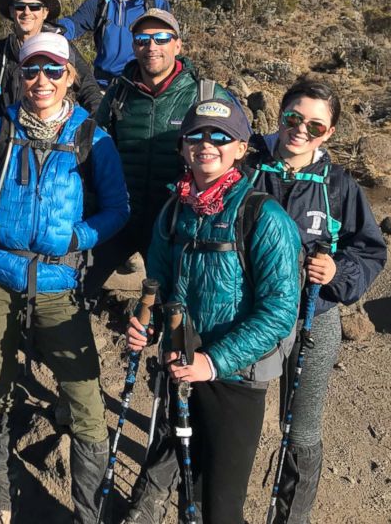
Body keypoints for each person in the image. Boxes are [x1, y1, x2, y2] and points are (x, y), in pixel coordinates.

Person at [0, 33, 130, 524]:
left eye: (54, 70)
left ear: (71, 76)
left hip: (57, 284)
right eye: (32, 70)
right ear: (19, 76)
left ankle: (88, 512)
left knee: (85, 399)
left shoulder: (92, 137)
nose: (41, 80)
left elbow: (118, 208)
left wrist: (76, 238)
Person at [124, 98, 301, 524]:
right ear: (183, 146)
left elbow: (279, 312)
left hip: (236, 378)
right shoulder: (174, 211)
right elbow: (162, 285)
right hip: (182, 366)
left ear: (241, 147)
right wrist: (147, 329)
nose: (208, 144)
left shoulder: (264, 216)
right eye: (197, 135)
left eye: (221, 136)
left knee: (222, 507)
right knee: (190, 487)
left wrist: (214, 361)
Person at [246, 78, 387, 524]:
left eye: (316, 125)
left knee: (301, 430)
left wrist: (337, 273)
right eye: (293, 117)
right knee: (230, 409)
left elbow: (369, 249)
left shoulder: (340, 184)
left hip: (315, 315)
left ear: (329, 133)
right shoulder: (248, 163)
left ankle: (292, 516)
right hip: (248, 313)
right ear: (280, 113)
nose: (301, 130)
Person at [86, 9, 230, 301]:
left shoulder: (203, 96)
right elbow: (94, 146)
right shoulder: (119, 92)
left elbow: (235, 152)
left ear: (178, 45)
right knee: (76, 289)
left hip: (175, 223)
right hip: (119, 216)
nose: (152, 46)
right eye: (142, 39)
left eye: (162, 38)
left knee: (174, 306)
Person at [0, 0, 103, 126]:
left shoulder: (62, 48)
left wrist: (94, 130)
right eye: (20, 7)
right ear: (11, 11)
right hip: (4, 137)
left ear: (45, 12)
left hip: (53, 136)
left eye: (34, 7)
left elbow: (89, 91)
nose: (26, 12)